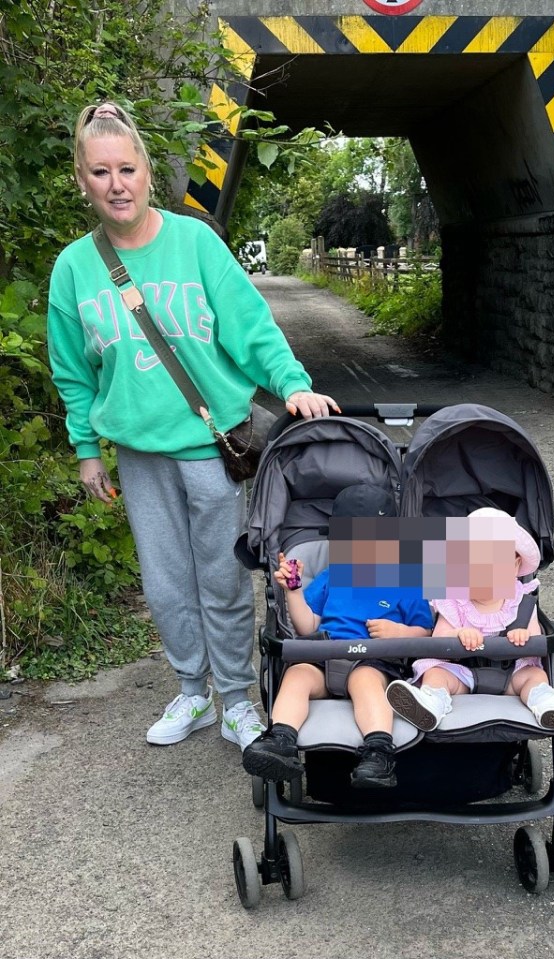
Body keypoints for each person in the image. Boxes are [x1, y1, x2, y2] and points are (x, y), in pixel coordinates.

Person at [47, 102, 340, 750]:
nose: (116, 182)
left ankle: (235, 698)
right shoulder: (74, 269)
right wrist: (86, 450)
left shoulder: (194, 244)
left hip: (214, 445)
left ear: (147, 172)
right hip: (138, 450)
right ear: (82, 179)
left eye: (127, 167)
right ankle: (192, 691)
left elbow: (251, 326)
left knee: (222, 575)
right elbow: (72, 372)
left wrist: (293, 384)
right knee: (165, 581)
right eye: (101, 171)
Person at [242, 485, 434, 788]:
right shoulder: (333, 576)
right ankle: (280, 739)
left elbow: (425, 632)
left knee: (366, 682)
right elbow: (308, 626)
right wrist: (293, 593)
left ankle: (378, 751)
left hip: (374, 659)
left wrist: (400, 632)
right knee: (297, 675)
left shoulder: (406, 580)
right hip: (325, 655)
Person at [385, 508, 554, 732]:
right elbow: (439, 638)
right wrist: (458, 634)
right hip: (461, 671)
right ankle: (431, 703)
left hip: (512, 673)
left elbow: (536, 642)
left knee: (535, 675)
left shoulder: (522, 601)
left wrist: (523, 636)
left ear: (515, 566)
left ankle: (548, 703)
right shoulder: (453, 600)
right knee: (436, 674)